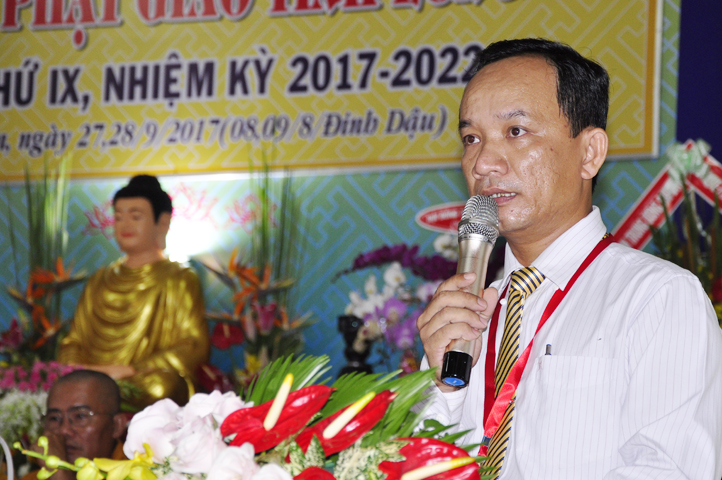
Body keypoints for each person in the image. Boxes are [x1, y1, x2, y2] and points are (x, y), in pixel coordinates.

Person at [417, 38, 722, 479]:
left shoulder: (658, 298)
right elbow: (415, 464)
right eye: (471, 138)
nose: (482, 163)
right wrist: (441, 387)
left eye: (515, 131)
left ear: (590, 153)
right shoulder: (463, 319)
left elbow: (670, 470)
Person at [58, 175, 210, 409]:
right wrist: (81, 369)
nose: (125, 224)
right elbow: (73, 341)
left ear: (162, 223)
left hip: (140, 380)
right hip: (94, 377)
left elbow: (193, 346)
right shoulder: (100, 279)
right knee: (52, 382)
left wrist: (131, 370)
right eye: (119, 217)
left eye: (136, 216)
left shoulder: (179, 278)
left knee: (163, 388)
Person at [24, 370, 127, 480]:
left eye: (80, 416)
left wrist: (59, 472)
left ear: (117, 425)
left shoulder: (134, 472)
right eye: (54, 418)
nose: (64, 430)